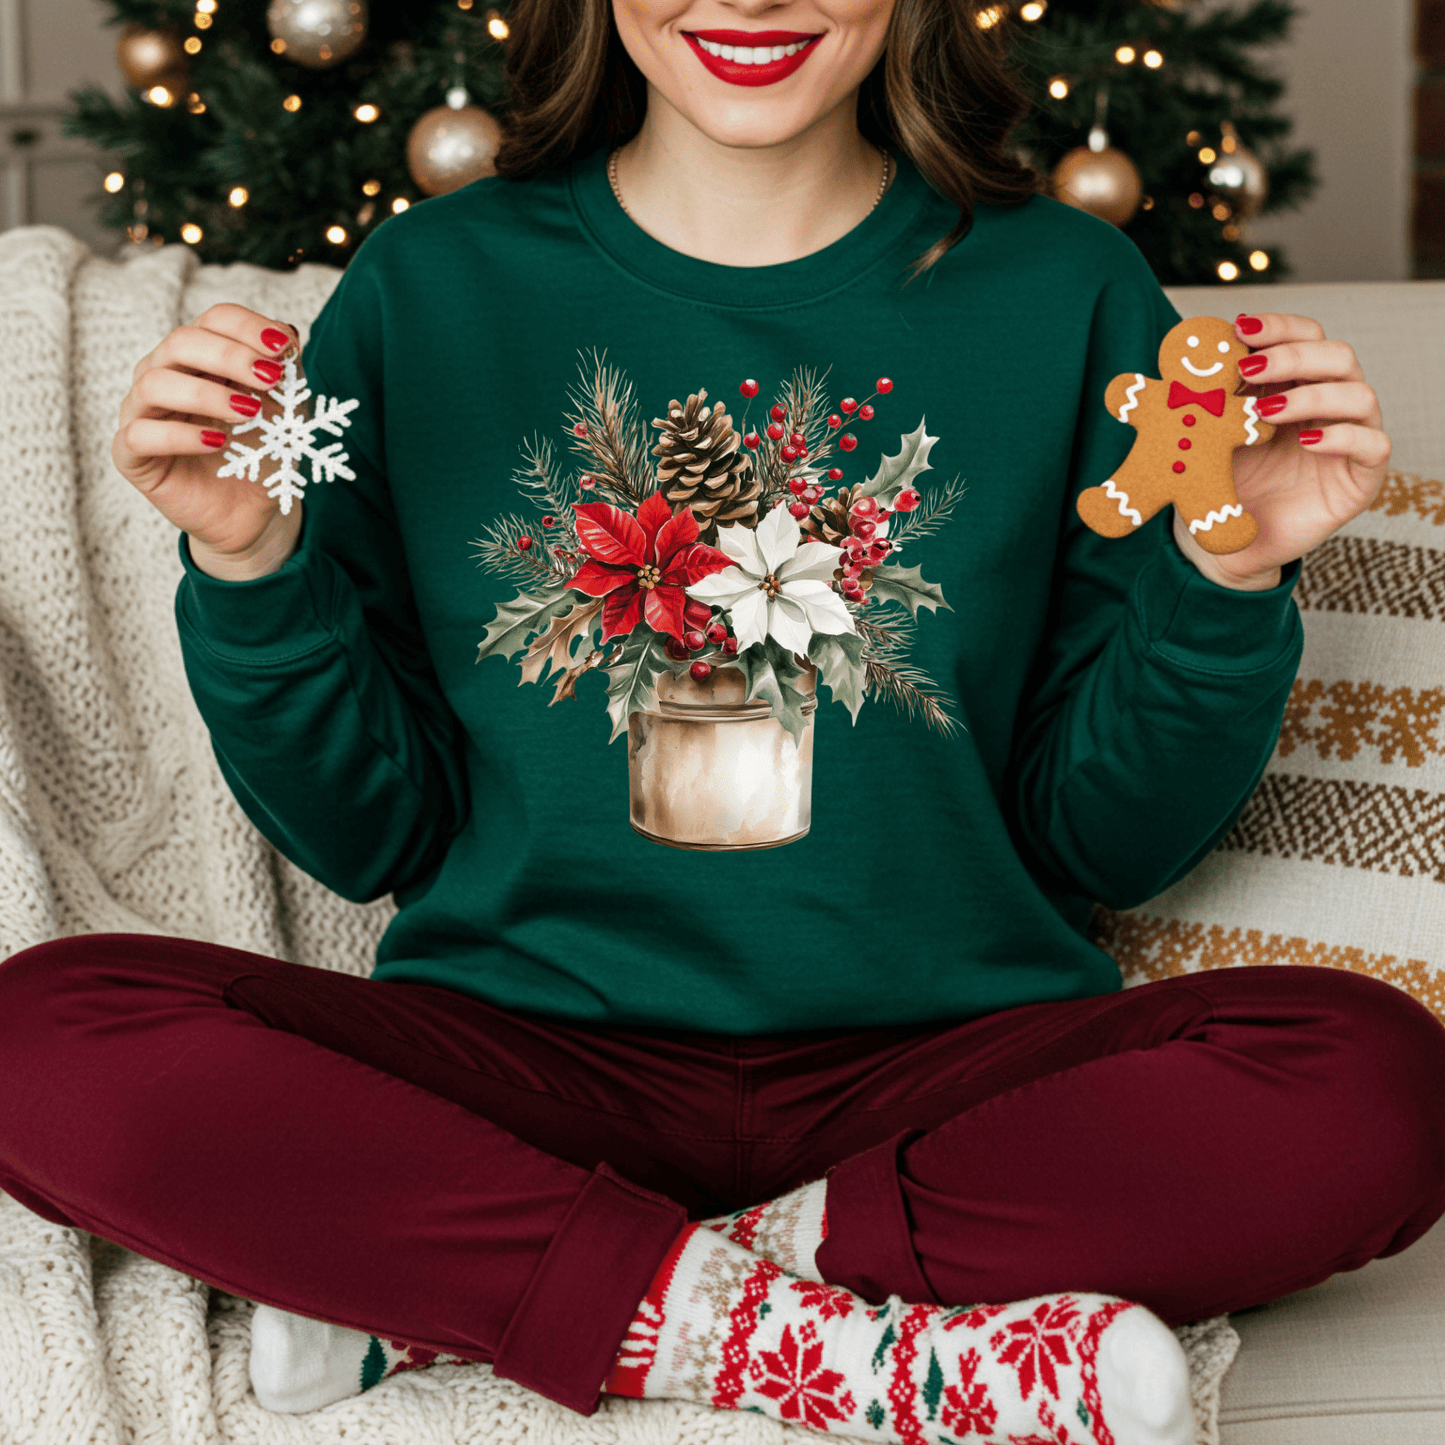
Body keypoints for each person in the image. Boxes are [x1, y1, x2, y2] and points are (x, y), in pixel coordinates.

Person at [1, 0, 1442, 1441]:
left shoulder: (1067, 289)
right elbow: (373, 829)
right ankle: (815, 1341)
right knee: (40, 1039)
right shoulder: (430, 284)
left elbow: (1108, 838)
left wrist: (1224, 578)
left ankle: (546, 1285)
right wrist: (252, 566)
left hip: (940, 1080)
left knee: (1378, 1088)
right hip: (517, 1067)